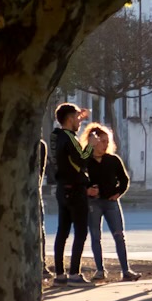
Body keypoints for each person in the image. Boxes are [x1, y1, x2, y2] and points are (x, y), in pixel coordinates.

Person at [81, 123, 140, 282]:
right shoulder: (87, 161)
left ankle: (126, 270)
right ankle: (100, 270)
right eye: (102, 141)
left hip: (111, 202)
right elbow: (78, 172)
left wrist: (118, 193)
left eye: (107, 141)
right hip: (94, 202)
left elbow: (124, 179)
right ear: (93, 142)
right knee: (95, 236)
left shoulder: (113, 160)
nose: (105, 145)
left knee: (119, 235)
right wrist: (87, 189)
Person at [49, 102, 93, 284]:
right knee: (81, 231)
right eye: (76, 118)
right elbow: (82, 160)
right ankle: (74, 272)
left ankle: (60, 274)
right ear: (69, 119)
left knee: (62, 232)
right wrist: (90, 145)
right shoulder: (70, 139)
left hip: (62, 189)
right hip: (76, 190)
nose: (79, 121)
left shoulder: (56, 136)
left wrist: (79, 115)